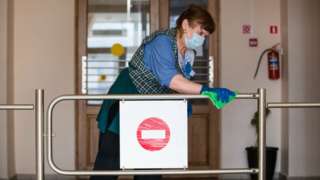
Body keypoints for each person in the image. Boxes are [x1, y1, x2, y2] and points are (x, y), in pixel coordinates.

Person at [90, 4, 235, 180]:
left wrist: (184, 102)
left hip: (151, 107)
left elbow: (181, 84)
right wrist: (206, 91)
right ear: (185, 24)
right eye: (200, 32)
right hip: (127, 99)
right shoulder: (162, 42)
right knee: (110, 161)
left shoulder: (188, 54)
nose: (202, 39)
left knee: (150, 161)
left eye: (205, 36)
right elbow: (171, 79)